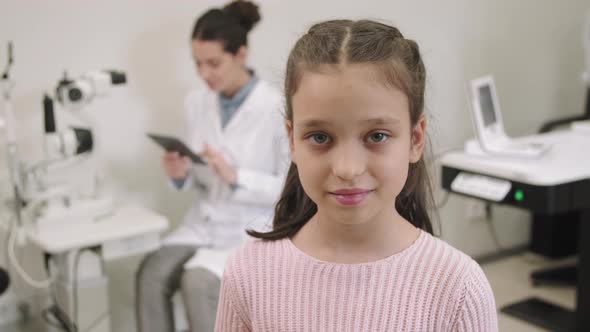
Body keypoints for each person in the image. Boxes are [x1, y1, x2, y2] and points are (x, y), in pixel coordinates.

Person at [215, 19, 498, 331]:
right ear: (292, 140)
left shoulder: (458, 287)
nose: (347, 169)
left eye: (376, 136)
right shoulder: (247, 273)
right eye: (320, 137)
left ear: (415, 140)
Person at [136, 1, 287, 331]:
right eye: (198, 64)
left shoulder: (276, 107)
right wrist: (180, 174)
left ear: (241, 54)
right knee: (151, 273)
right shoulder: (196, 102)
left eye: (214, 63)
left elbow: (290, 189)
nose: (205, 74)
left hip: (250, 228)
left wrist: (236, 177)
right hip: (205, 221)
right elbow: (198, 174)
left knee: (197, 283)